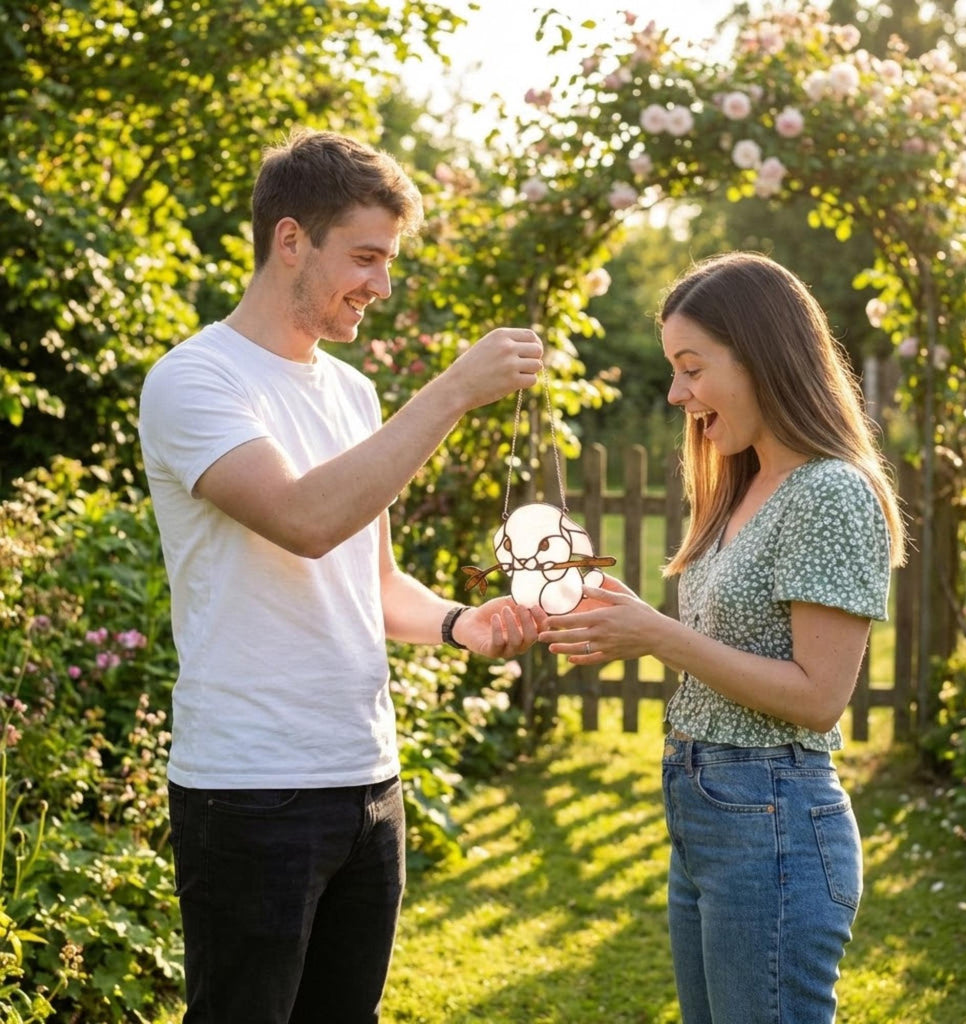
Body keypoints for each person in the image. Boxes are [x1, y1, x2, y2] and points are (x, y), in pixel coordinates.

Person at [138, 127, 545, 1024]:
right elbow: (307, 521)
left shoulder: (353, 392)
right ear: (291, 240)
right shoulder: (195, 381)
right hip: (250, 791)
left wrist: (458, 623)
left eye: (389, 260)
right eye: (366, 256)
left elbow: (374, 578)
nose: (383, 285)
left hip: (368, 780)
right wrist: (451, 391)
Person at [539, 251, 905, 1024]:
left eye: (692, 368)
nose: (677, 394)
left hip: (771, 820)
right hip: (710, 817)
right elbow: (728, 643)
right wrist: (636, 616)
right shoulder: (743, 485)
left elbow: (818, 698)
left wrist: (662, 637)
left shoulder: (830, 492)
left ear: (763, 353)